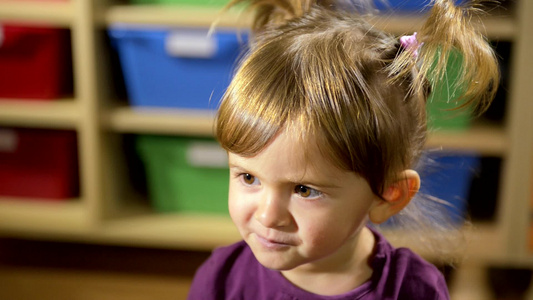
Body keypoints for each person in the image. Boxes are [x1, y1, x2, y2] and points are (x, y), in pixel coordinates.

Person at [188, 0, 499, 298]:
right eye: (248, 178)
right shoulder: (221, 279)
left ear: (388, 195)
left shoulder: (413, 290)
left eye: (304, 190)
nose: (268, 216)